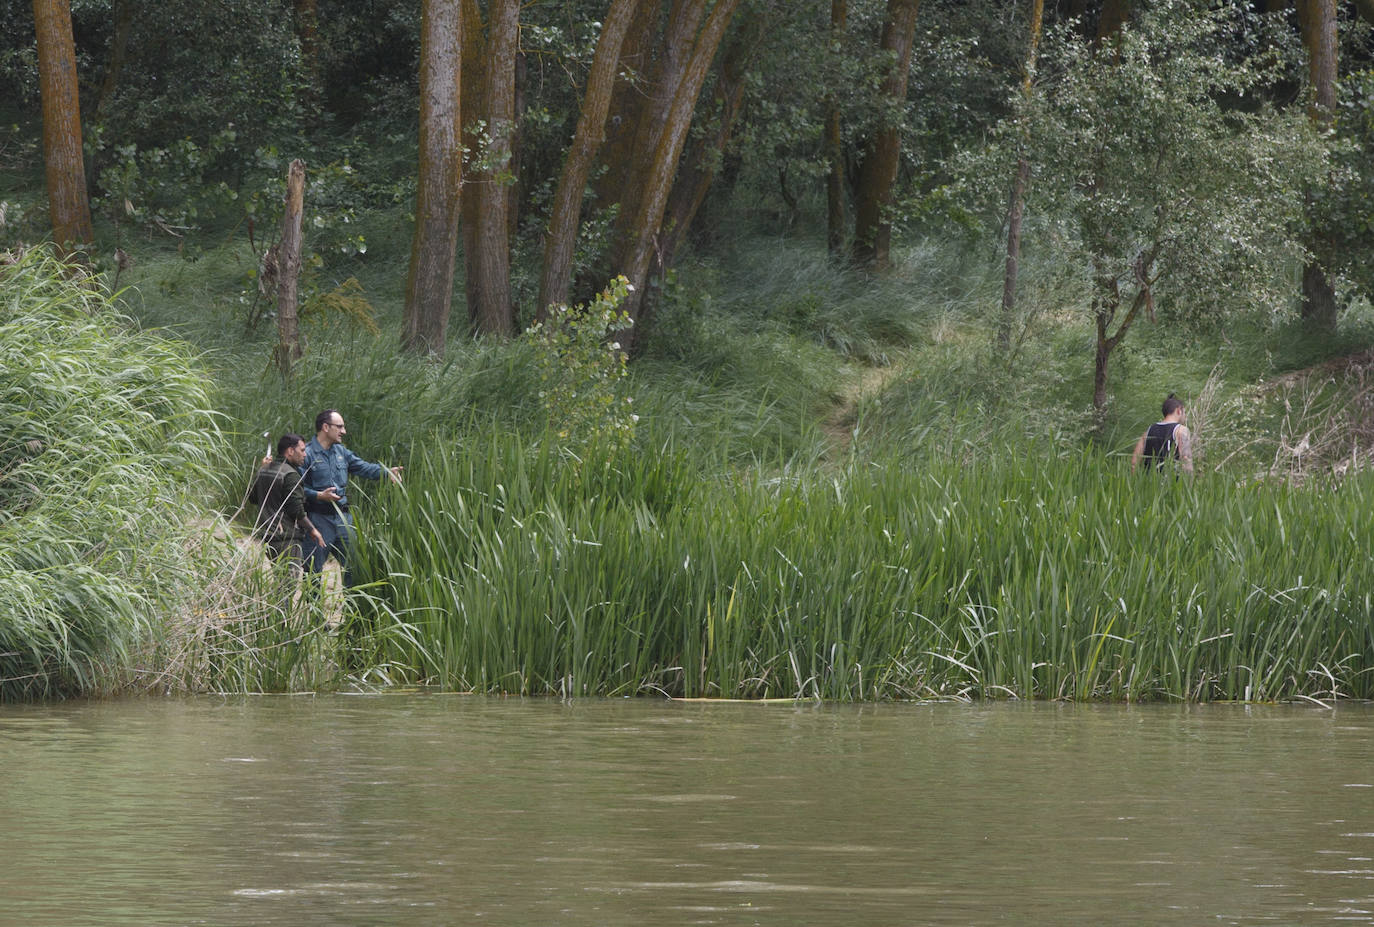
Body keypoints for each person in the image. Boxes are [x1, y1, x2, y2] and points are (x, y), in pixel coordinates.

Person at [299, 409, 403, 585]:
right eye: (339, 427)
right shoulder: (307, 454)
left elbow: (364, 468)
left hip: (343, 520)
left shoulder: (341, 452)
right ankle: (315, 612)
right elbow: (297, 487)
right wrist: (318, 495)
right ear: (325, 427)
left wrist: (386, 473)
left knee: (355, 567)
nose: (344, 431)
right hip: (317, 519)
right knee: (313, 572)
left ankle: (351, 611)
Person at [249, 433, 325, 568]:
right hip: (286, 538)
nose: (305, 454)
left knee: (281, 582)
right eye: (302, 450)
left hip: (268, 537)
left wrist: (260, 470)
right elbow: (296, 510)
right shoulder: (290, 475)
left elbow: (253, 498)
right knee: (287, 585)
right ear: (290, 451)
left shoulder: (264, 470)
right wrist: (312, 530)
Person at [1131, 393, 1194, 475]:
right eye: (1184, 413)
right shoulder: (1181, 430)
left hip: (1149, 483)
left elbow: (1134, 462)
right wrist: (1190, 484)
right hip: (1172, 483)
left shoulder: (1148, 431)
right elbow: (1186, 460)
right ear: (1179, 410)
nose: (1185, 416)